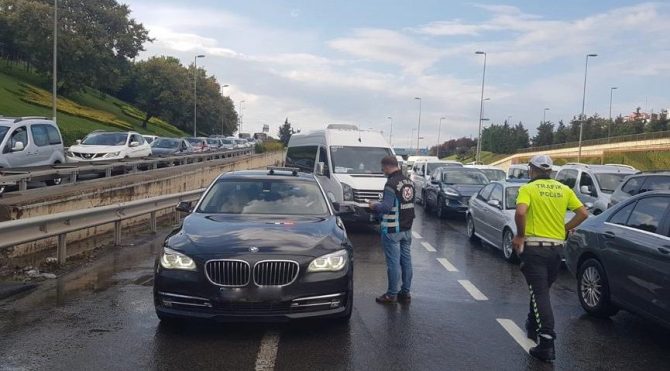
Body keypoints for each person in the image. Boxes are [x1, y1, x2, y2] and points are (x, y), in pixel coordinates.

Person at [512, 155, 589, 362]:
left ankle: (546, 341)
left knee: (540, 293)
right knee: (541, 290)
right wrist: (565, 228)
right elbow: (583, 213)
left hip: (535, 248)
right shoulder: (564, 189)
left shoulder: (528, 189)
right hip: (556, 250)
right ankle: (532, 323)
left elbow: (520, 212)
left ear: (533, 170)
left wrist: (519, 235)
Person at [369, 155, 416, 304]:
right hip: (407, 229)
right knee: (406, 262)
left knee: (393, 263)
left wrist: (374, 205)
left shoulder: (391, 183)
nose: (383, 171)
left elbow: (386, 207)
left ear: (388, 166)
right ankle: (405, 292)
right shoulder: (409, 182)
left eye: (383, 168)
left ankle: (391, 294)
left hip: (392, 229)